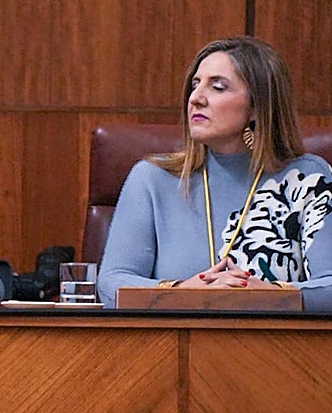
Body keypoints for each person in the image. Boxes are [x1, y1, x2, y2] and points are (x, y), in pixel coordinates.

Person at [98, 36, 332, 311]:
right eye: (195, 85)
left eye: (218, 87)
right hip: (172, 349)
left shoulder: (307, 178)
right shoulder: (152, 178)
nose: (196, 98)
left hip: (278, 349)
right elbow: (112, 284)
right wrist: (183, 293)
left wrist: (267, 294)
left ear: (258, 106)